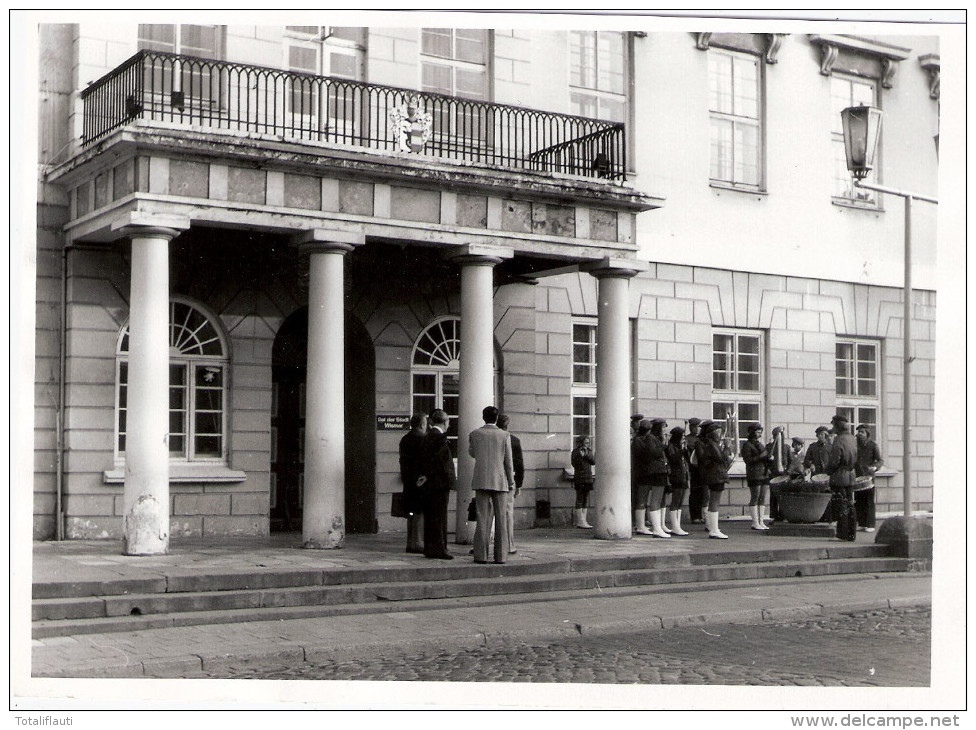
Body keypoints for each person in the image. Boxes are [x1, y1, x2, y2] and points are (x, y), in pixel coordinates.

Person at [468, 405, 515, 564]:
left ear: (483, 417)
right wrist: (511, 481)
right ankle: (501, 556)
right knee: (501, 518)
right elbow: (508, 461)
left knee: (482, 518)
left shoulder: (474, 434)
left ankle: (480, 555)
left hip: (481, 478)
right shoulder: (504, 435)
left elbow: (472, 453)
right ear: (496, 418)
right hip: (500, 479)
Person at [420, 409, 456, 560]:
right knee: (440, 516)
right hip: (440, 483)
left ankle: (430, 547)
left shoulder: (427, 436)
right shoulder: (440, 438)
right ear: (445, 421)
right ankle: (440, 548)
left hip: (430, 483)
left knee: (431, 516)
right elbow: (441, 463)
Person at [698, 420, 734, 539]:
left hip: (716, 475)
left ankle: (714, 527)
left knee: (714, 502)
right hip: (716, 476)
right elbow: (720, 458)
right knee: (714, 502)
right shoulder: (712, 445)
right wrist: (727, 448)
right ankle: (713, 529)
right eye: (718, 433)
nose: (720, 435)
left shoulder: (712, 444)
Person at [826, 414, 859, 541]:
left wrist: (828, 471)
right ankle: (851, 534)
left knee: (840, 504)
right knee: (850, 504)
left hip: (839, 475)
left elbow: (835, 460)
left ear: (837, 426)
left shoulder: (838, 440)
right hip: (851, 474)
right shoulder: (852, 438)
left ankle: (842, 534)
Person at [398, 413, 427, 554]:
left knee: (410, 513)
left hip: (408, 480)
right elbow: (424, 460)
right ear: (422, 424)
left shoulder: (405, 438)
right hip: (419, 480)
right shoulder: (422, 438)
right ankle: (418, 543)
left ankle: (410, 542)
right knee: (419, 512)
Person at [497, 414, 524, 552]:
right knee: (508, 512)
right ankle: (508, 545)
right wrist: (518, 483)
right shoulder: (513, 440)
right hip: (508, 480)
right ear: (507, 424)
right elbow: (518, 464)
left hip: (491, 480)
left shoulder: (490, 436)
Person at [741, 423, 771, 530]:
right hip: (754, 473)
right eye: (758, 432)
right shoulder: (747, 445)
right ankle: (755, 522)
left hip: (764, 473)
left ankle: (761, 521)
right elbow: (748, 460)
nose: (760, 434)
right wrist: (760, 456)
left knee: (762, 497)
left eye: (760, 432)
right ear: (752, 433)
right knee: (755, 497)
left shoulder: (760, 444)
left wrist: (768, 458)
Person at [854, 424, 884, 533]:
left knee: (869, 501)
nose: (859, 434)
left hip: (869, 477)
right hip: (857, 476)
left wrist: (874, 467)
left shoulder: (872, 445)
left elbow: (880, 460)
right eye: (858, 432)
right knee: (859, 500)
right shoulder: (855, 445)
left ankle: (870, 524)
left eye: (862, 432)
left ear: (867, 434)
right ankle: (862, 523)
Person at [664, 426, 690, 535]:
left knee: (680, 502)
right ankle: (674, 526)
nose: (683, 438)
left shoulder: (679, 447)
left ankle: (677, 525)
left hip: (683, 476)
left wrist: (685, 449)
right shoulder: (671, 447)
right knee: (676, 501)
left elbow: (687, 459)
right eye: (682, 436)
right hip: (676, 476)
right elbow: (673, 459)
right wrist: (681, 450)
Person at [570, 435, 595, 529]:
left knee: (585, 499)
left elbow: (593, 461)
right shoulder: (575, 452)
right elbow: (574, 463)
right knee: (579, 498)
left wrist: (586, 455)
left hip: (588, 477)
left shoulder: (589, 451)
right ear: (580, 443)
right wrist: (580, 455)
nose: (587, 444)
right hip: (579, 478)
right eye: (585, 442)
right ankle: (580, 520)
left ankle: (584, 520)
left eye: (588, 442)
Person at [684, 418, 706, 524]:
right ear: (691, 427)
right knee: (695, 492)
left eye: (698, 427)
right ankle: (694, 516)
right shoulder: (688, 439)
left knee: (701, 492)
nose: (697, 429)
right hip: (693, 468)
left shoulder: (700, 439)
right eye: (695, 427)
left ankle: (700, 515)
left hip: (701, 468)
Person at [766, 426, 790, 522]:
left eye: (781, 435)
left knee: (784, 495)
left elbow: (791, 460)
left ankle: (784, 515)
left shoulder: (786, 448)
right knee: (774, 496)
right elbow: (765, 461)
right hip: (774, 474)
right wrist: (768, 467)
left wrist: (789, 470)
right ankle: (775, 516)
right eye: (778, 435)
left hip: (784, 474)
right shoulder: (769, 447)